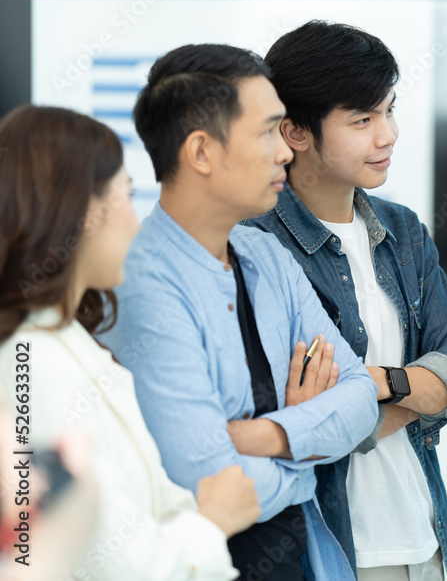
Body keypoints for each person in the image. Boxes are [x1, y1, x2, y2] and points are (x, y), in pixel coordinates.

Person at [97, 44, 379, 581]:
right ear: (201, 152)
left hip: (301, 555)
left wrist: (266, 435)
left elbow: (360, 396)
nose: (286, 153)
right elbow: (207, 480)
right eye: (268, 131)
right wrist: (307, 444)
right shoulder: (142, 284)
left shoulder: (267, 255)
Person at [245, 20, 447, 581]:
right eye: (363, 120)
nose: (389, 134)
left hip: (427, 540)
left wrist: (378, 385)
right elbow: (292, 419)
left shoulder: (403, 232)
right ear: (296, 132)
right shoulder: (256, 245)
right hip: (329, 551)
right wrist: (418, 392)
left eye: (390, 110)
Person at [0, 105, 260, 580]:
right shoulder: (34, 365)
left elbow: (154, 509)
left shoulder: (61, 345)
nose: (137, 224)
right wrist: (214, 520)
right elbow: (114, 563)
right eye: (126, 195)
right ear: (80, 209)